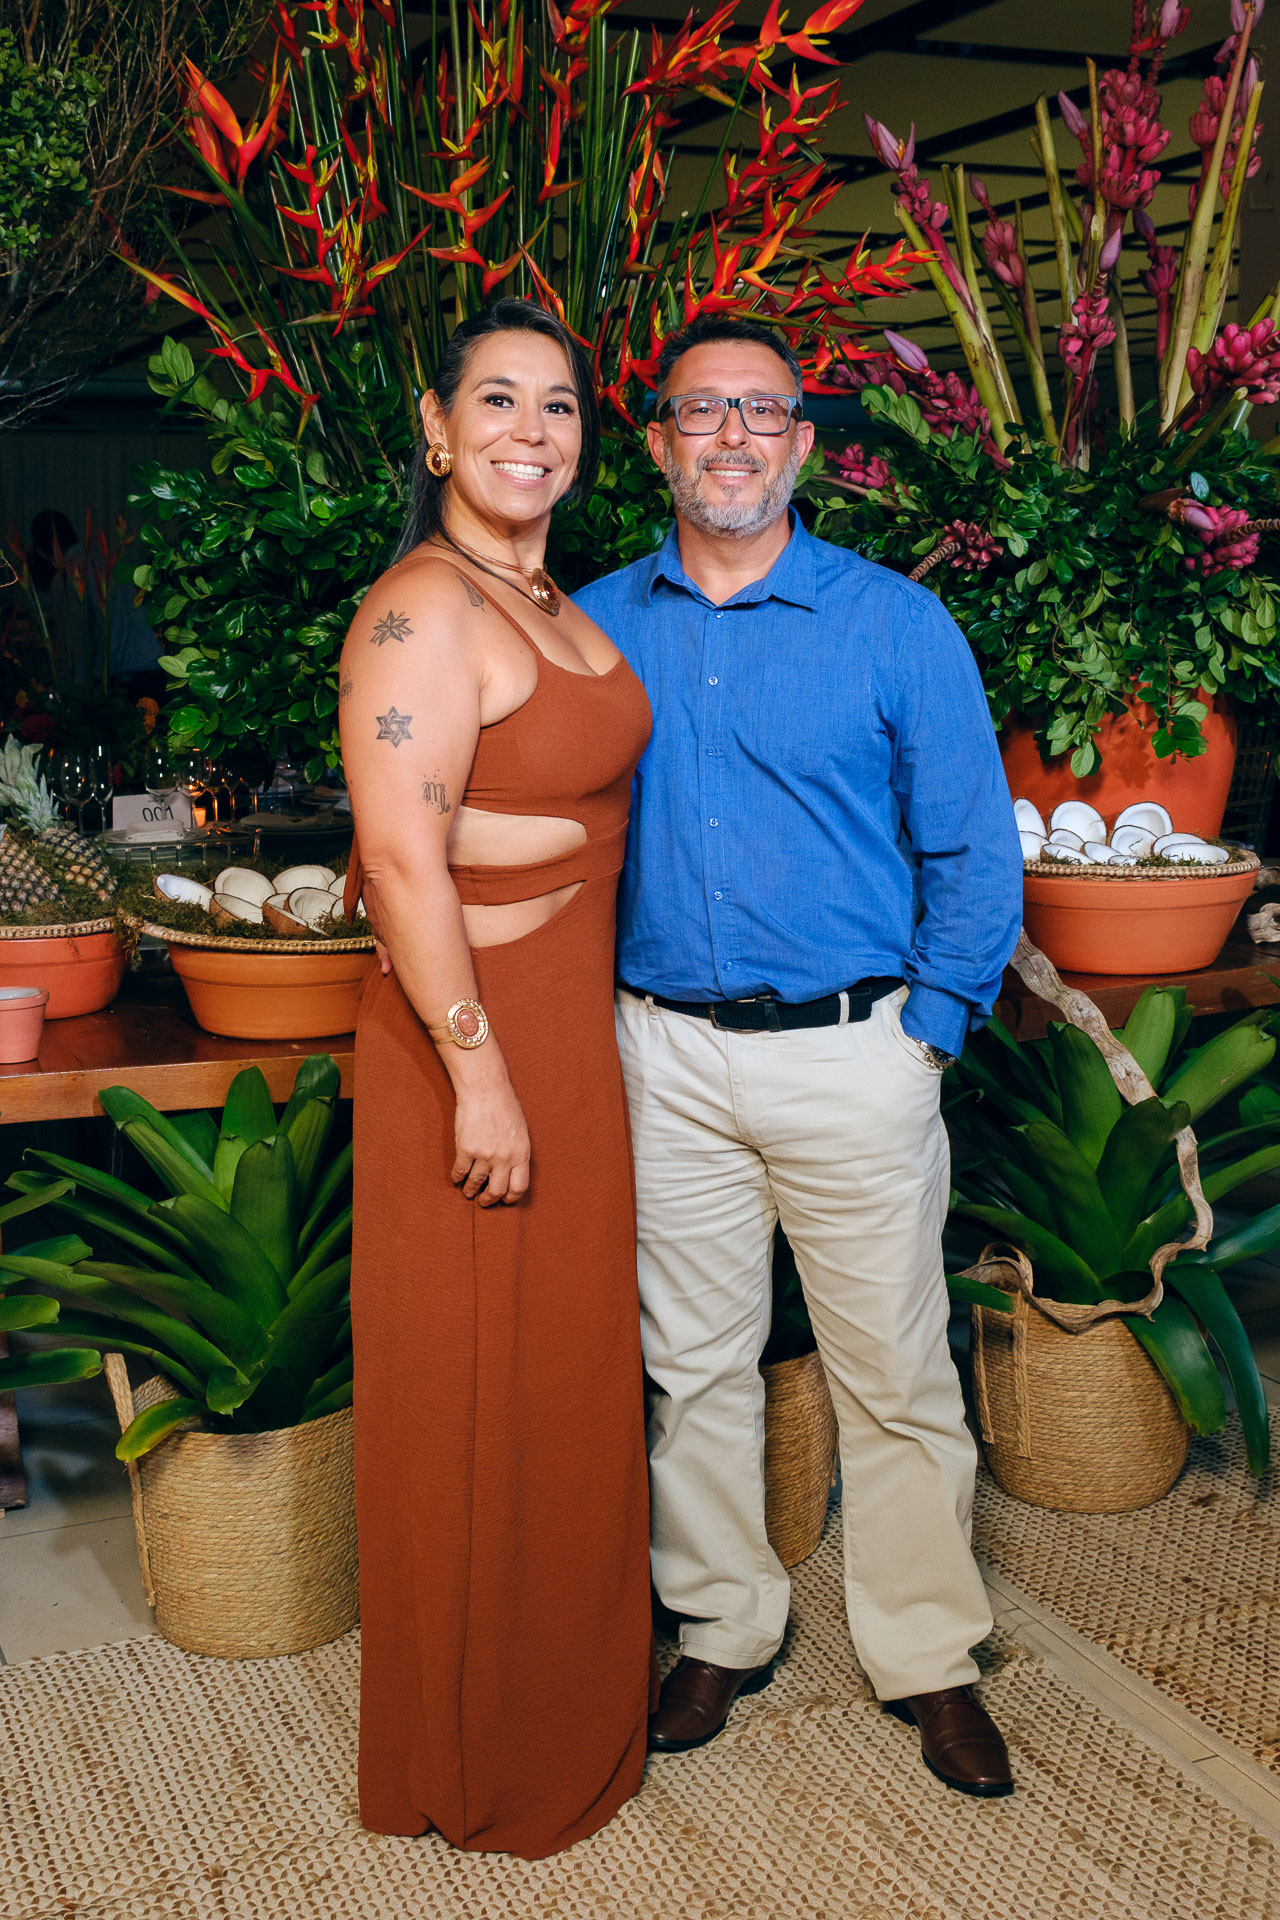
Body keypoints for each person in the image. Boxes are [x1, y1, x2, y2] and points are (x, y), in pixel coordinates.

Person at [574, 314, 1024, 1798]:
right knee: (693, 1370)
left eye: (762, 411)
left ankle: (928, 1653)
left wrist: (929, 1033)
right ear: (658, 442)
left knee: (894, 1373)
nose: (733, 437)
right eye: (702, 411)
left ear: (804, 444)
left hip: (855, 1053)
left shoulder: (896, 625)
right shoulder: (591, 626)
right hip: (664, 1058)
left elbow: (973, 850)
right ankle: (722, 1625)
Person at [339, 299, 654, 1858]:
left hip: (569, 1035)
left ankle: (560, 1703)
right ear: (436, 426)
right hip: (477, 1046)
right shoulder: (420, 613)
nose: (532, 431)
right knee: (472, 1390)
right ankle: (474, 1753)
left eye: (560, 406)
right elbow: (403, 858)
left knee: (560, 1381)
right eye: (499, 401)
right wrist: (479, 1076)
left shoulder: (548, 600)